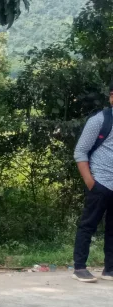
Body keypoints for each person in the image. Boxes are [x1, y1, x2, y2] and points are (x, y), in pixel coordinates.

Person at [71, 83, 113, 282]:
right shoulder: (99, 121)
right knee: (88, 226)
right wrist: (90, 182)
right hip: (100, 183)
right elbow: (80, 151)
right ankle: (79, 267)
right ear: (111, 97)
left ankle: (110, 269)